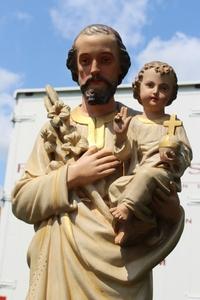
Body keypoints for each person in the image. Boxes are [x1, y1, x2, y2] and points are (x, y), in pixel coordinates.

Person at [12, 25, 184, 300]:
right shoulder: (54, 132)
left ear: (120, 68)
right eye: (85, 60)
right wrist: (71, 176)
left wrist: (170, 209)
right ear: (75, 68)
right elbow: (21, 201)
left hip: (123, 273)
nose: (94, 69)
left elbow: (165, 197)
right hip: (59, 266)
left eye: (105, 60)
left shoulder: (142, 125)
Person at [109, 61, 192, 245]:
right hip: (138, 176)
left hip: (162, 176)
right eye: (150, 85)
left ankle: (127, 209)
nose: (155, 91)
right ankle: (135, 225)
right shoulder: (134, 122)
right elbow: (122, 155)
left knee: (147, 175)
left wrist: (175, 156)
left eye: (163, 88)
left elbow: (186, 154)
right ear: (138, 89)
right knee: (115, 187)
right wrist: (121, 136)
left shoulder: (173, 123)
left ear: (171, 94)